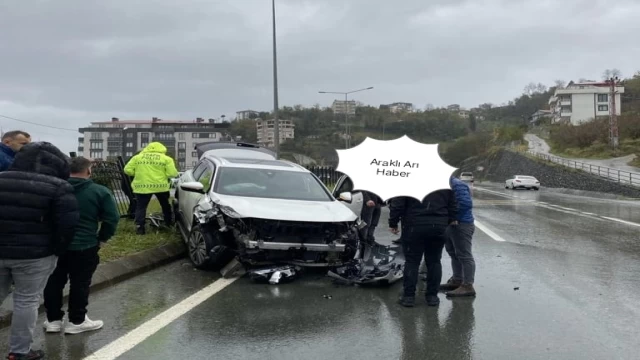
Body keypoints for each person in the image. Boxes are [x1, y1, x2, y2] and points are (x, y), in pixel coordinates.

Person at [0, 142, 79, 360]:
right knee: (26, 301)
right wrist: (56, 250)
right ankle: (19, 351)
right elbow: (67, 224)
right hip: (35, 255)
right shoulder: (59, 187)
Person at [43, 156, 120, 334]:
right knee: (80, 283)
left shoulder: (53, 190)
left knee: (53, 282)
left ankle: (53, 320)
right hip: (85, 245)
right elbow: (111, 218)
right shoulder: (99, 191)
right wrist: (102, 238)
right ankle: (77, 321)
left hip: (55, 246)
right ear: (88, 170)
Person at [389, 189, 458, 307]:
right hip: (438, 226)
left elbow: (397, 204)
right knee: (434, 261)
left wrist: (393, 223)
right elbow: (453, 204)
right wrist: (451, 219)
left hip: (413, 226)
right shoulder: (443, 183)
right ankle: (432, 297)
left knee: (412, 262)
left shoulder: (407, 181)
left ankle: (408, 297)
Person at [123, 142, 178, 235]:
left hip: (142, 186)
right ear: (162, 149)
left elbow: (127, 170)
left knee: (141, 207)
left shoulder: (137, 158)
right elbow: (172, 174)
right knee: (165, 205)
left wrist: (136, 174)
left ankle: (140, 228)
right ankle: (168, 223)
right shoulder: (166, 159)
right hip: (160, 186)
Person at [440, 176, 477, 297]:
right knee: (453, 253)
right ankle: (457, 280)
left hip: (461, 224)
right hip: (450, 223)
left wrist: (453, 217)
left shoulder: (457, 184)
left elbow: (465, 203)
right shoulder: (445, 184)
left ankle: (468, 285)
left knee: (464, 255)